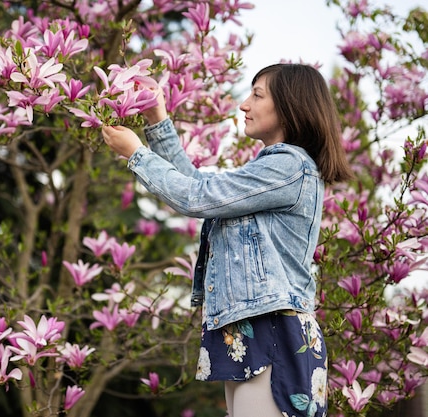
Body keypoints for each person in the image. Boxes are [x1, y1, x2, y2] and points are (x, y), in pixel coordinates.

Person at [101, 63, 354, 417]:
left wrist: (137, 154)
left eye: (257, 95)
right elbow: (202, 192)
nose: (244, 105)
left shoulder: (289, 167)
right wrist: (158, 119)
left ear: (290, 106)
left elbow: (197, 196)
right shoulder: (270, 168)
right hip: (249, 329)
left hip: (273, 330)